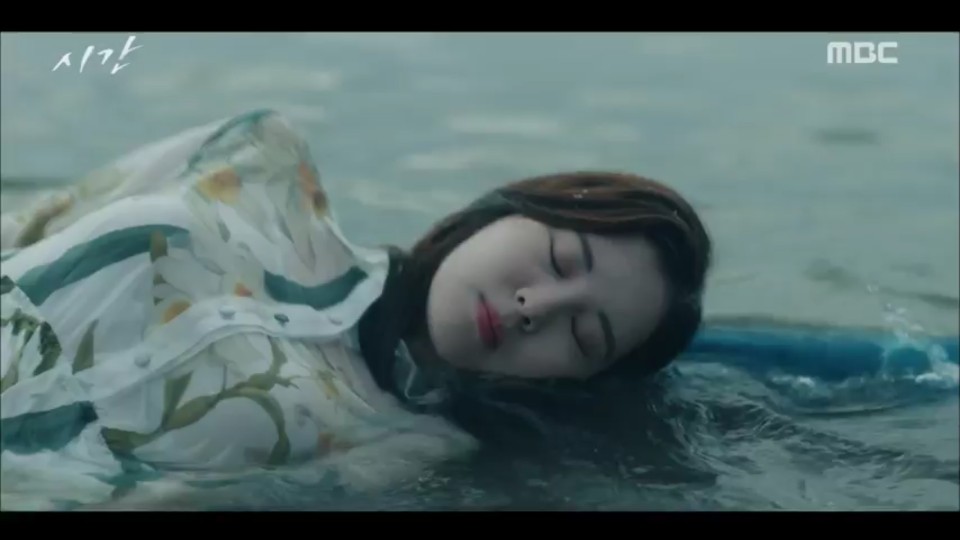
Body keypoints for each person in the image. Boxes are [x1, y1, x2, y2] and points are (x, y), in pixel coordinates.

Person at [0, 109, 711, 509]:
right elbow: (27, 224)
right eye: (559, 260)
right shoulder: (259, 158)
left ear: (574, 383)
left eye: (582, 335)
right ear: (507, 209)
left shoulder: (403, 454)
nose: (537, 307)